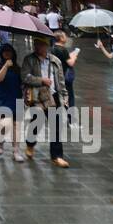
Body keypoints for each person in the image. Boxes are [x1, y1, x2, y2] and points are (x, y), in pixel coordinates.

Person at [20, 36, 69, 167]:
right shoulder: (29, 59)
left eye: (41, 44)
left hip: (53, 97)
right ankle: (30, 144)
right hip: (37, 98)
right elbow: (25, 77)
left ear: (47, 46)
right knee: (36, 123)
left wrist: (65, 97)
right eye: (36, 44)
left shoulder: (55, 61)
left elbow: (61, 80)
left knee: (56, 127)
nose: (38, 47)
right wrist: (41, 80)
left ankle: (57, 156)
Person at [0, 44, 24, 160]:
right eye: (4, 51)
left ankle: (16, 151)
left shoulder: (17, 68)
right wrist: (5, 66)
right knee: (6, 124)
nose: (7, 53)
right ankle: (0, 141)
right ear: (1, 53)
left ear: (13, 53)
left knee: (17, 126)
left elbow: (22, 82)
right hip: (2, 99)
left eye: (9, 51)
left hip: (17, 98)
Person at [51, 30, 78, 108]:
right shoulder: (63, 49)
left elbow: (63, 58)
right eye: (65, 36)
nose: (66, 37)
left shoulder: (53, 48)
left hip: (56, 75)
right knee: (69, 95)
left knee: (58, 94)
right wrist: (75, 56)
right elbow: (71, 63)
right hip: (65, 75)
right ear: (61, 38)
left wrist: (70, 55)